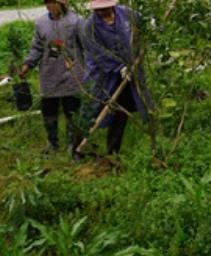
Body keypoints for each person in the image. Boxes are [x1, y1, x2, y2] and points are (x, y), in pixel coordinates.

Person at [81, 0, 151, 156]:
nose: (102, 11)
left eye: (105, 7)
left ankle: (113, 151)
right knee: (92, 110)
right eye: (98, 9)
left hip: (129, 75)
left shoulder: (127, 14)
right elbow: (97, 53)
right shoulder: (89, 26)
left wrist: (149, 29)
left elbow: (144, 24)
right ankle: (77, 148)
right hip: (103, 76)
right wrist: (119, 67)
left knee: (121, 111)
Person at [19, 0, 84, 155]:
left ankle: (72, 144)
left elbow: (86, 46)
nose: (49, 6)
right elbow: (37, 47)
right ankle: (52, 143)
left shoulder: (77, 21)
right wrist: (27, 65)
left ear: (62, 4)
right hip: (49, 73)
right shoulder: (41, 23)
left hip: (72, 74)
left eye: (52, 3)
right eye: (47, 3)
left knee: (72, 111)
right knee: (49, 110)